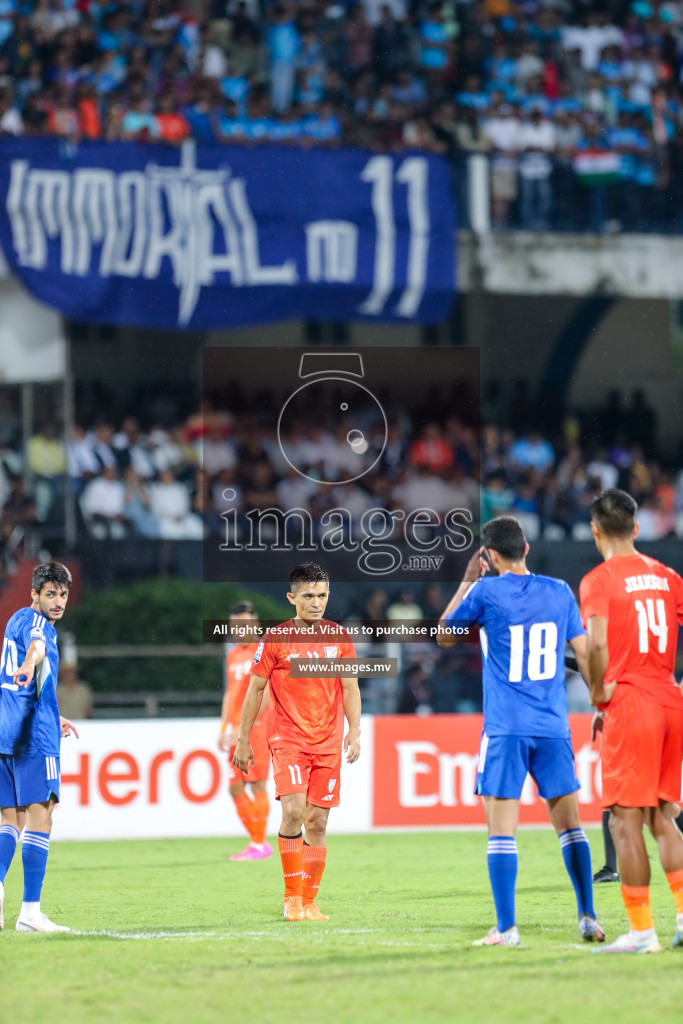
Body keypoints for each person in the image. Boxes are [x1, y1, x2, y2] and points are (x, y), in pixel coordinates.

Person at [438, 516, 604, 947]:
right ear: (526, 549)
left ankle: (507, 929)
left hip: (506, 728)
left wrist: (466, 581)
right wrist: (601, 705)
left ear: (490, 556)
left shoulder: (485, 590)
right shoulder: (559, 591)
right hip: (553, 727)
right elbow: (585, 656)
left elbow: (443, 635)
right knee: (570, 826)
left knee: (501, 830)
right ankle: (587, 916)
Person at [580, 488, 683, 953]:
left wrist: (600, 692)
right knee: (663, 818)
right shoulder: (666, 576)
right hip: (669, 698)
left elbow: (597, 646)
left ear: (595, 530)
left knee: (624, 822)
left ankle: (642, 932)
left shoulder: (599, 580)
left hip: (631, 702)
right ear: (637, 529)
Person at [232, 562, 361, 921]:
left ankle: (309, 900)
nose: (316, 602)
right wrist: (243, 740)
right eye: (308, 596)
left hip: (328, 740)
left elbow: (350, 687)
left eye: (322, 595)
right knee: (292, 812)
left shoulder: (339, 638)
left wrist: (355, 730)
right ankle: (291, 897)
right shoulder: (274, 640)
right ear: (292, 598)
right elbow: (255, 689)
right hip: (287, 737)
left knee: (317, 822)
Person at [0, 562, 79, 932]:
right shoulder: (38, 625)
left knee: (10, 818)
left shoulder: (14, 619)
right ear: (34, 594)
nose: (58, 601)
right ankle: (30, 913)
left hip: (7, 729)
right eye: (50, 593)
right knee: (42, 813)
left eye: (62, 594)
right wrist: (32, 665)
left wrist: (53, 710)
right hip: (35, 735)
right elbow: (36, 648)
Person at [218, 602, 272, 861]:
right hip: (235, 730)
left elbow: (266, 694)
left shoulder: (263, 652)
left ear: (256, 625)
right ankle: (259, 841)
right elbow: (230, 693)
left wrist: (245, 726)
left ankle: (258, 845)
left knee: (257, 783)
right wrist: (224, 726)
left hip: (257, 728)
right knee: (235, 787)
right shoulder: (233, 655)